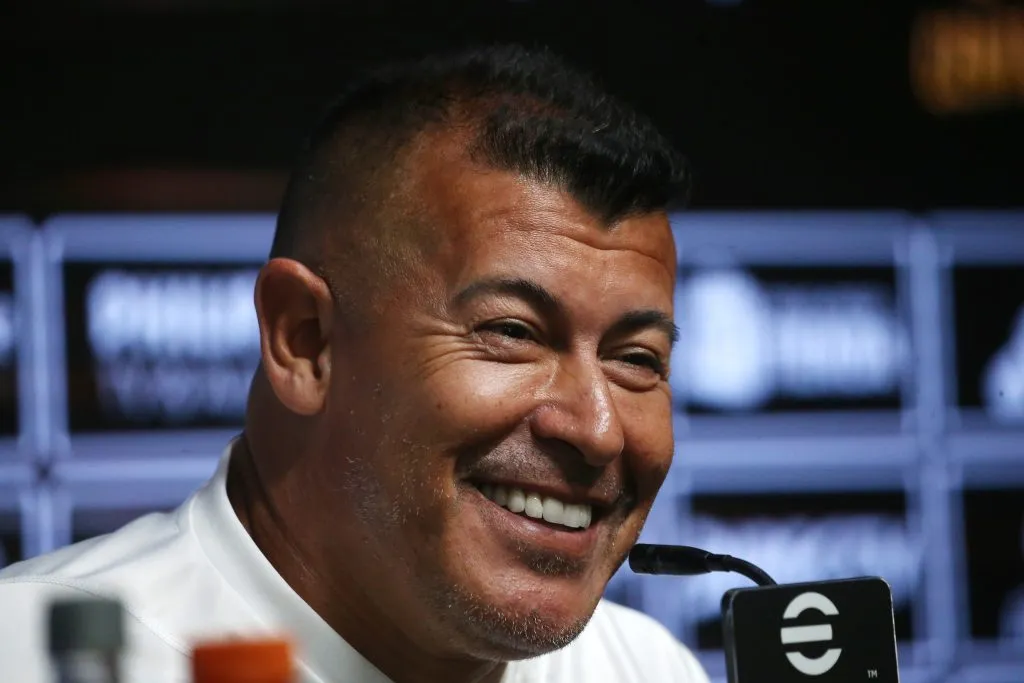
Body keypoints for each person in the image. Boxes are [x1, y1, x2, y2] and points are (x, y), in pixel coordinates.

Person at [0, 45, 708, 683]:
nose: (598, 428)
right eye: (513, 331)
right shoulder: (24, 657)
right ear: (304, 339)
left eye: (637, 359)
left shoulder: (647, 667)